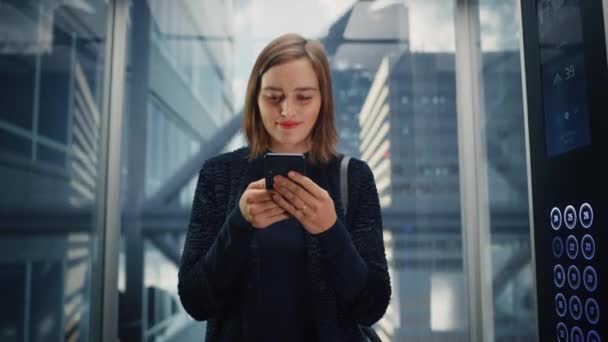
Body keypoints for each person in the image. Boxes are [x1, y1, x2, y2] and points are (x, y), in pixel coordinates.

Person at [177, 33, 391, 341]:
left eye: (303, 97)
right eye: (273, 97)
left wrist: (331, 230)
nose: (287, 111)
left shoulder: (353, 177)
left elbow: (371, 306)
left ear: (323, 101)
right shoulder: (218, 174)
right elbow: (195, 300)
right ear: (256, 99)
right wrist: (238, 225)